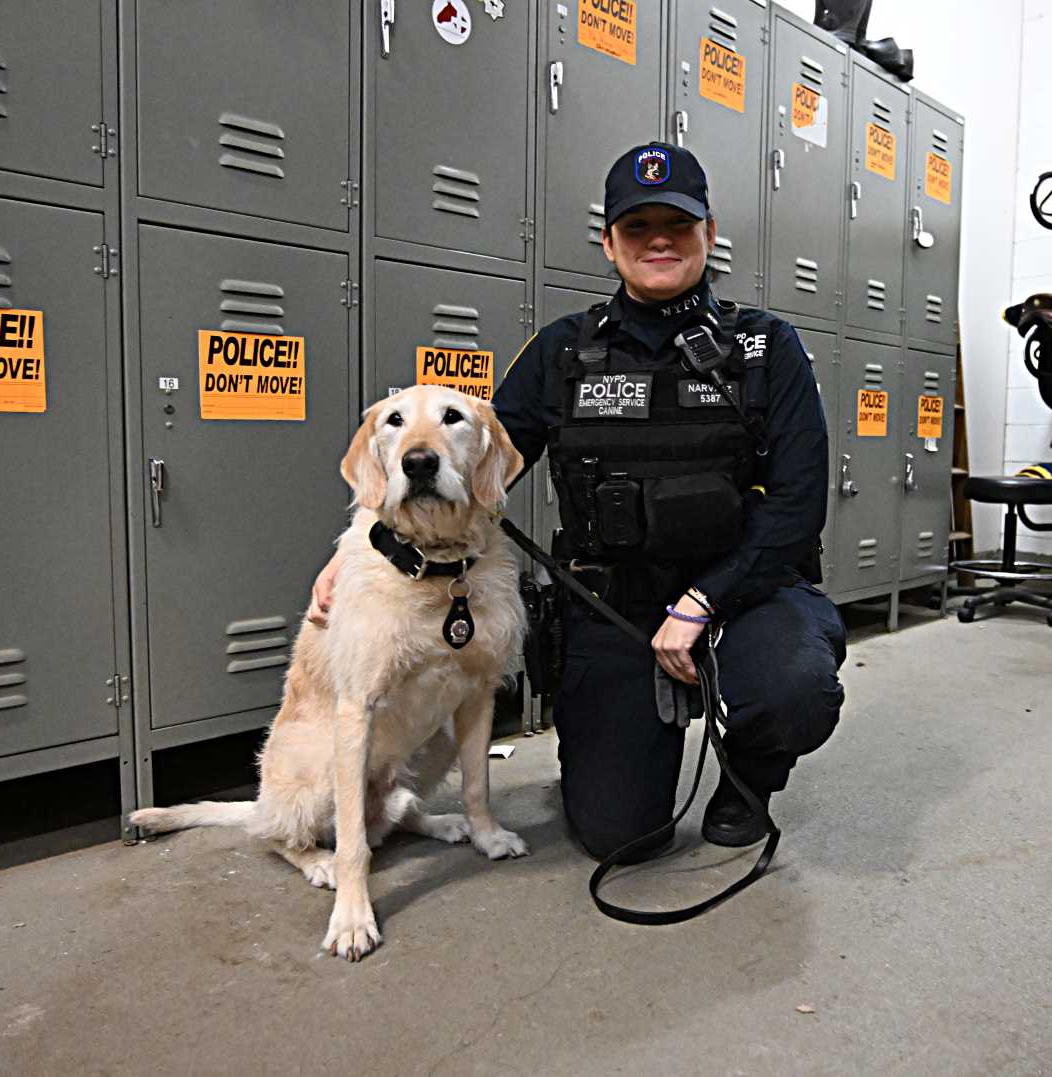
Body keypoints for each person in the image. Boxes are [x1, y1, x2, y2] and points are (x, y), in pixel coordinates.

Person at [310, 142, 847, 859]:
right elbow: (470, 466)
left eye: (678, 225)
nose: (659, 241)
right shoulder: (562, 353)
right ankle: (622, 748)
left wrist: (703, 601)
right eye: (637, 227)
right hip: (612, 604)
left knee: (796, 687)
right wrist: (363, 548)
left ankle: (749, 776)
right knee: (621, 837)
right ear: (610, 243)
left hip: (739, 594)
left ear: (710, 234)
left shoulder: (767, 347)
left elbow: (798, 505)